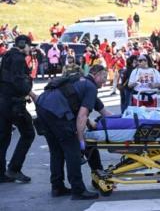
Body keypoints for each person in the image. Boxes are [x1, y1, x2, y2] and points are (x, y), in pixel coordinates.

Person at [35, 65, 112, 200]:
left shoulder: (80, 81)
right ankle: (78, 190)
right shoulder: (90, 87)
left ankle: (57, 187)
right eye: (104, 77)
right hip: (57, 113)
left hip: (42, 108)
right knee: (73, 151)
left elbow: (104, 112)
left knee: (57, 150)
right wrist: (81, 140)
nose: (105, 81)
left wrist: (121, 120)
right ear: (95, 74)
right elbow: (82, 116)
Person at [0, 35, 36, 183]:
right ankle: (14, 169)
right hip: (14, 104)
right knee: (28, 134)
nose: (30, 48)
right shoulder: (18, 59)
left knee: (3, 138)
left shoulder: (7, 56)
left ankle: (1, 174)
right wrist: (29, 91)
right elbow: (19, 82)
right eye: (28, 45)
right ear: (22, 44)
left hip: (3, 102)